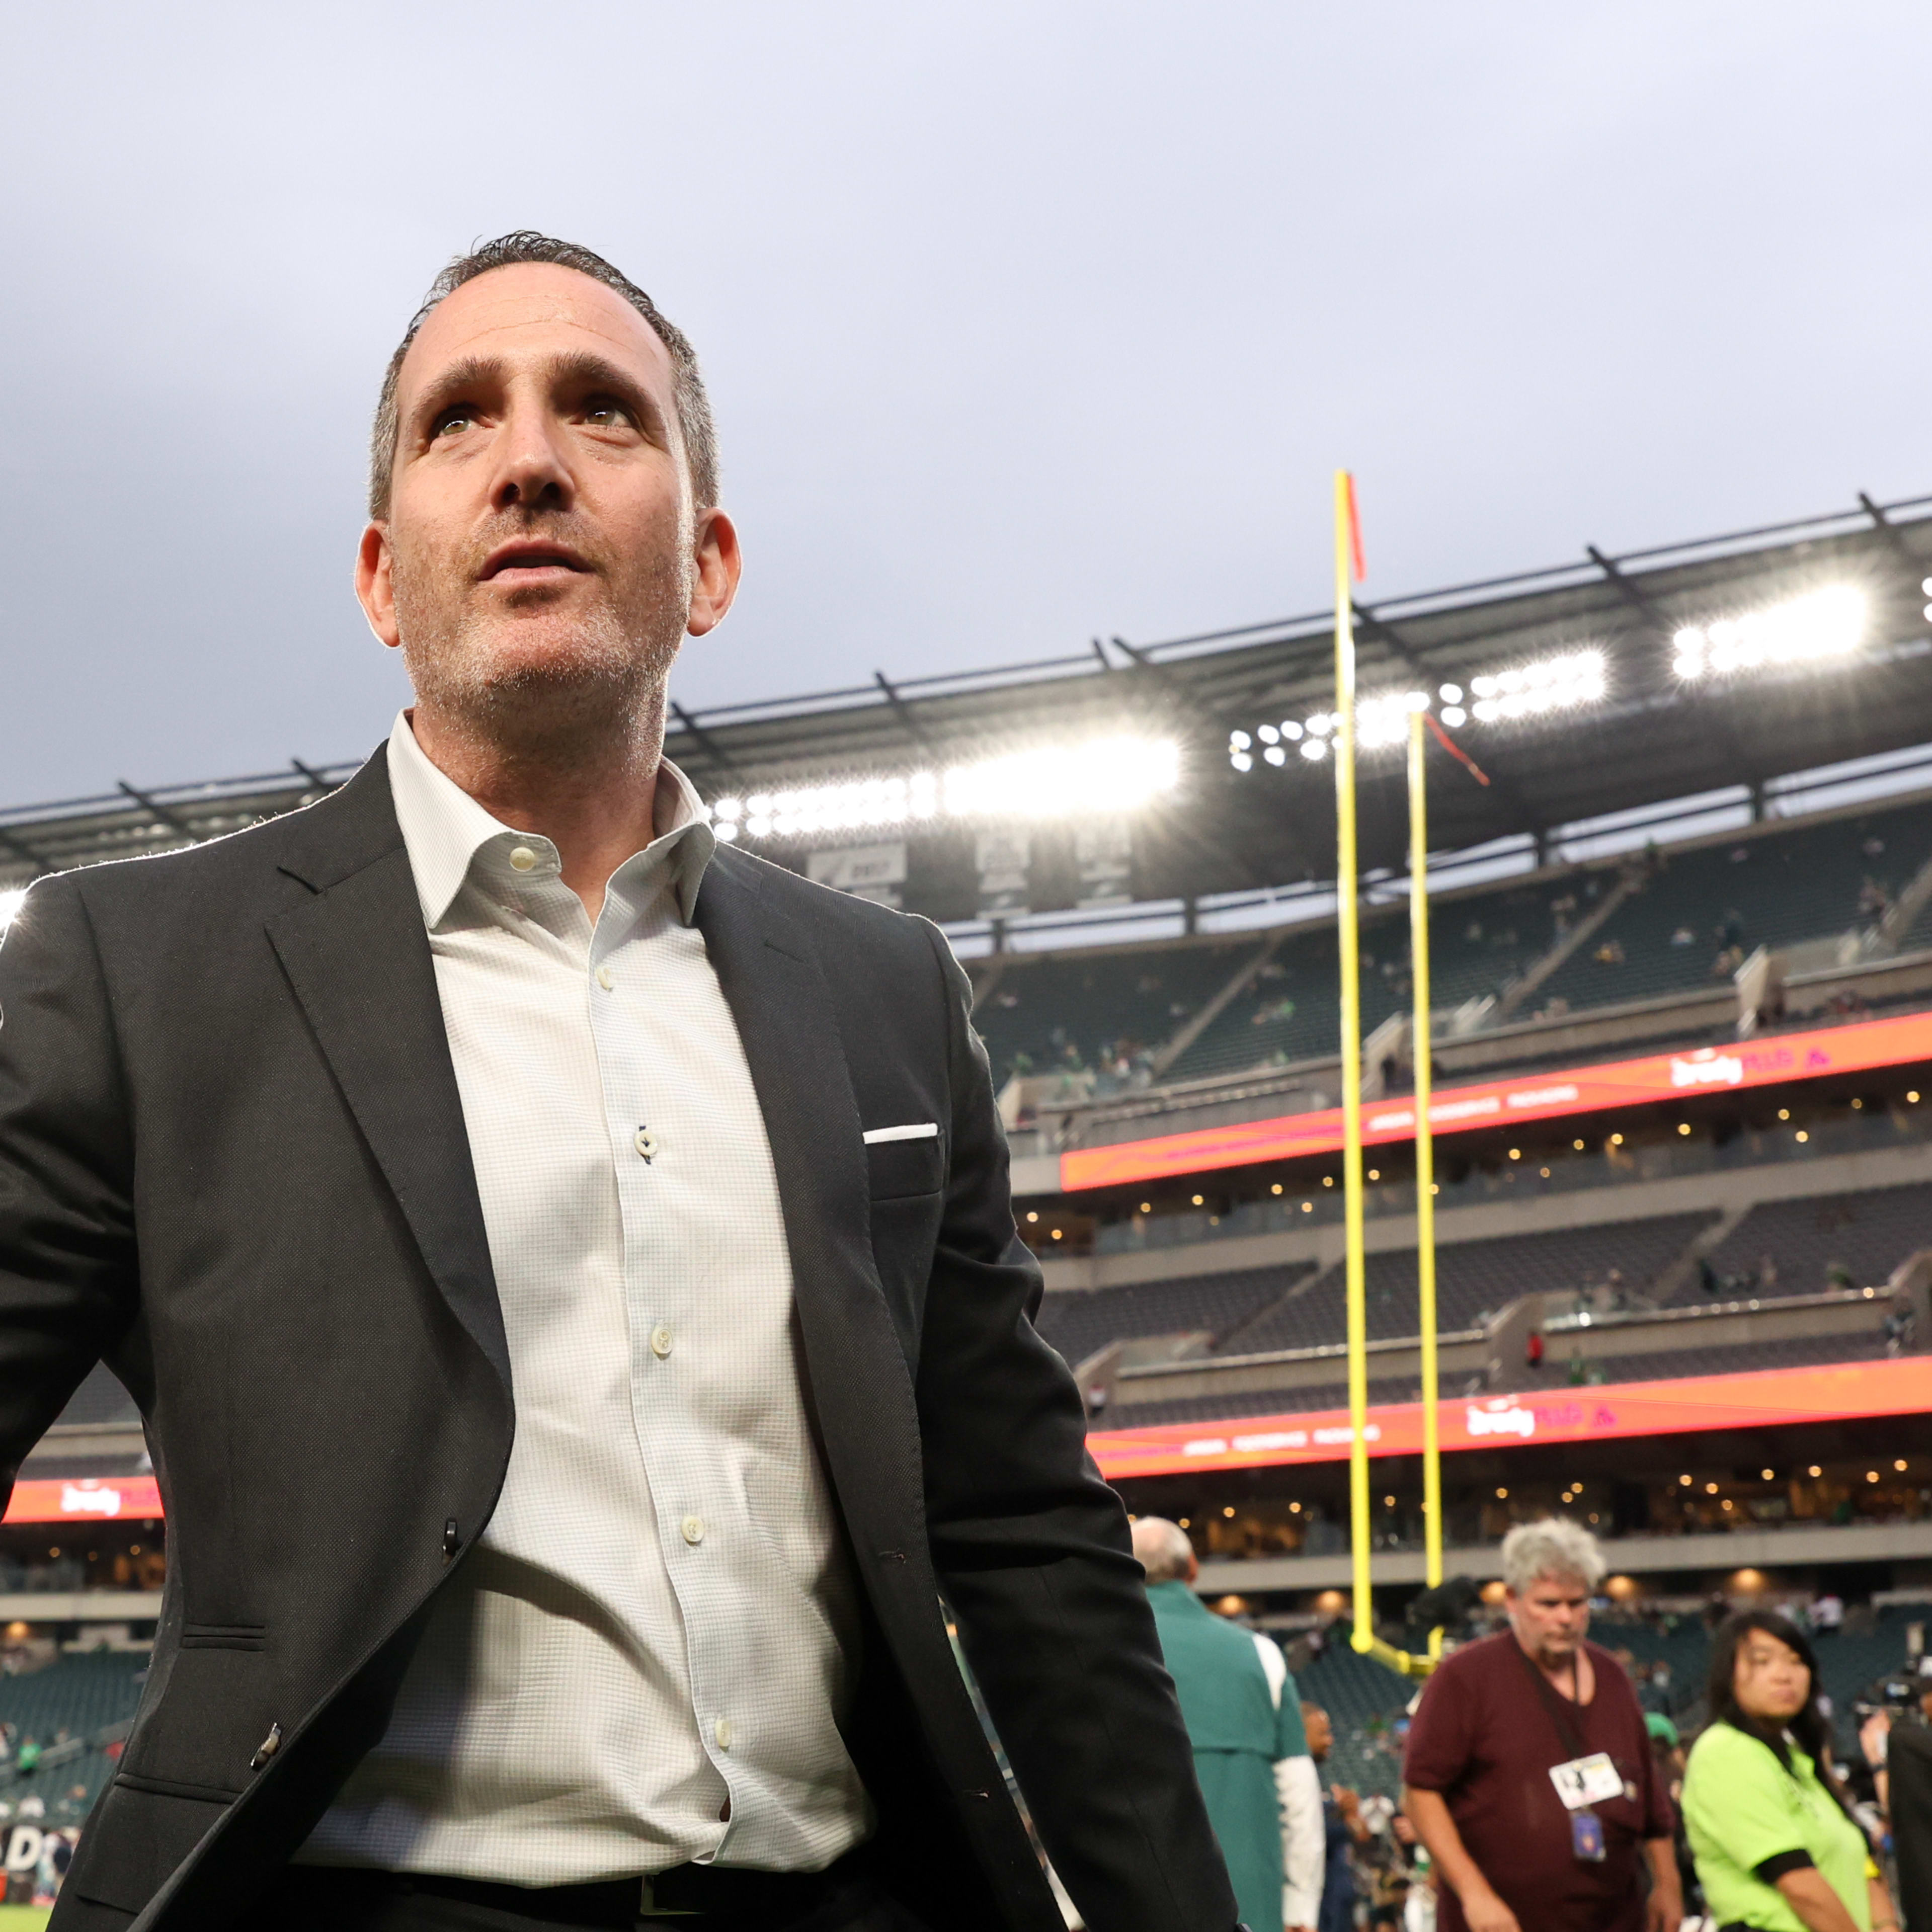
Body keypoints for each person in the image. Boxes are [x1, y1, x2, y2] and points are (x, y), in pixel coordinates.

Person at [0, 233, 1238, 1932]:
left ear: (709, 563)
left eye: (602, 411)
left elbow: (1025, 1528)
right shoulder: (137, 968)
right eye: (460, 420)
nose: (529, 458)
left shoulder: (885, 994)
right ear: (381, 578)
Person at [1401, 1519, 1679, 1932]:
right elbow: (1421, 1792)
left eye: (1577, 1602)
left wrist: (1669, 1884)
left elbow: (1652, 1802)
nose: (1565, 1618)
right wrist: (1474, 1893)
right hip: (1505, 1921)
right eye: (1548, 1604)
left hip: (1614, 1917)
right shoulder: (1466, 1677)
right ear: (1512, 1600)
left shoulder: (1612, 1676)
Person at [1134, 1517, 1323, 1932]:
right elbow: (1300, 1794)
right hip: (1250, 1904)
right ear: (1194, 1569)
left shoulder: (1102, 1658)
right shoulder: (1261, 1654)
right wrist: (1301, 1909)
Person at [1682, 1612, 1898, 1932]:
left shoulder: (1796, 1759)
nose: (1784, 1675)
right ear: (1728, 1675)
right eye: (1762, 1661)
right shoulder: (1724, 1752)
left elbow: (1860, 1866)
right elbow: (1799, 1884)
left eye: (1797, 1661)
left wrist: (1886, 1926)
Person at [1300, 1704, 1366, 1932]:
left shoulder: (1314, 1784)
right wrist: (1345, 1817)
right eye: (1323, 1734)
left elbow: (1362, 1836)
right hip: (1314, 1912)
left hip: (1334, 1910)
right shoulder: (1293, 1784)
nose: (1330, 1741)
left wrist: (1349, 1814)